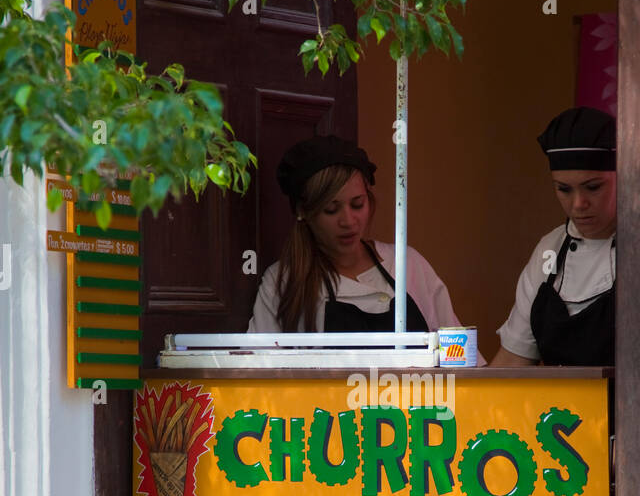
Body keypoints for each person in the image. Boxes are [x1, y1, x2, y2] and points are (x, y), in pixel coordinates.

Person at [248, 134, 466, 337]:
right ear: (303, 211)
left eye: (357, 204)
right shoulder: (283, 283)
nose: (349, 221)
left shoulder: (408, 265)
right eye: (331, 209)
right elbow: (258, 372)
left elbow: (459, 357)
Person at [491, 107, 616, 368]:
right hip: (560, 410)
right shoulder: (549, 249)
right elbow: (515, 358)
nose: (579, 203)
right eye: (564, 189)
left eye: (593, 187)